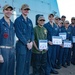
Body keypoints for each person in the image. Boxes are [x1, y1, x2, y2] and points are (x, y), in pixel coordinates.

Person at [14, 4, 34, 75]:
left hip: (29, 46)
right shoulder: (18, 20)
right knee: (20, 65)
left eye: (27, 10)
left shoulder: (30, 21)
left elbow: (32, 32)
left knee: (27, 64)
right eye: (25, 9)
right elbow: (18, 33)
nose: (26, 11)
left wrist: (31, 42)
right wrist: (27, 43)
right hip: (21, 45)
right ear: (21, 10)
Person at [0, 4, 15, 75]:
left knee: (11, 71)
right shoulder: (0, 23)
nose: (9, 12)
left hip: (12, 51)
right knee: (3, 71)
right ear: (3, 11)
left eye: (10, 10)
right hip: (3, 51)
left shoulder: (12, 24)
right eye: (7, 10)